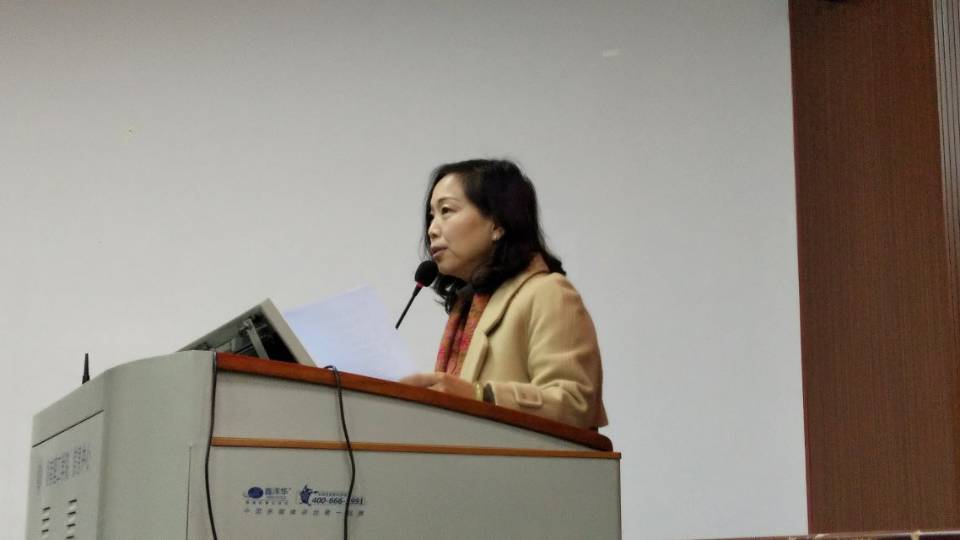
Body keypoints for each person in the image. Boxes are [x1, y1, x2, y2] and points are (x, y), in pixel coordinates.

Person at [399, 159, 607, 430]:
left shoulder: (549, 293)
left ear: (497, 223)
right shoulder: (467, 309)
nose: (432, 229)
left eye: (446, 211)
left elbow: (575, 403)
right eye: (431, 216)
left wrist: (479, 396)